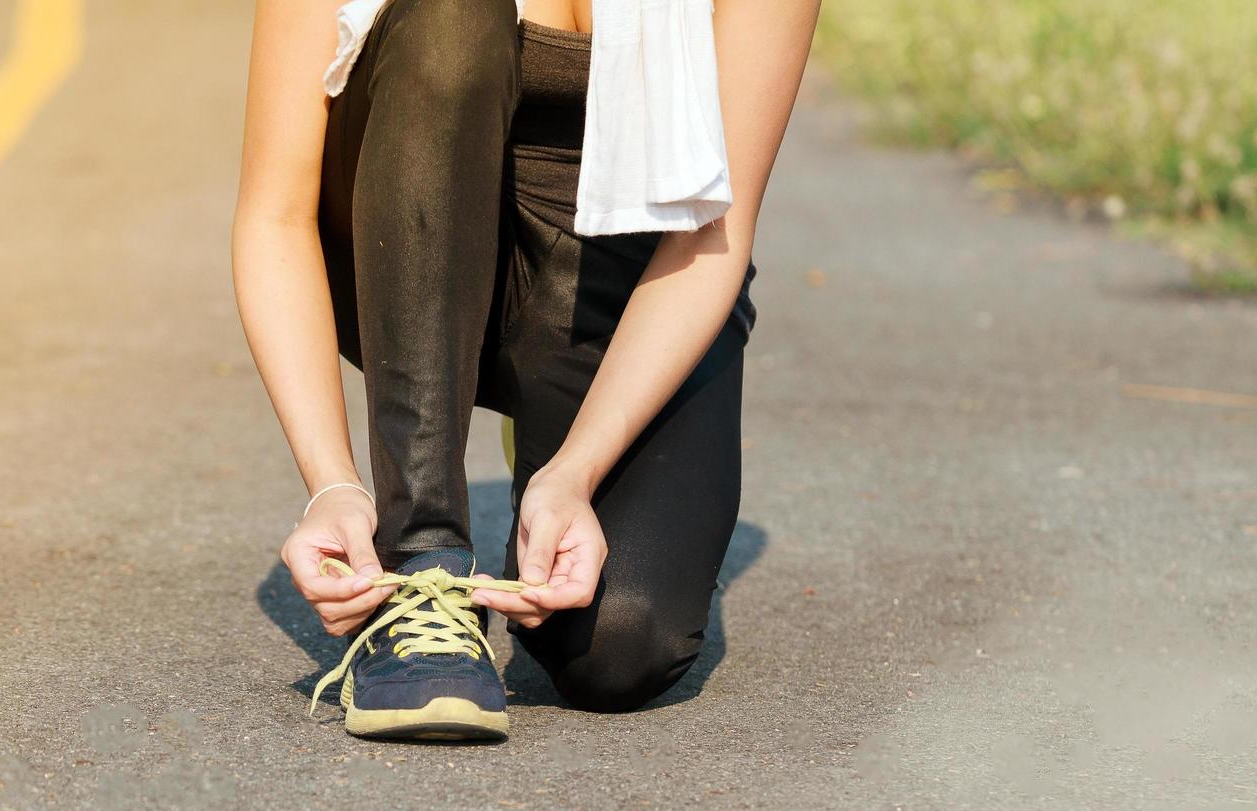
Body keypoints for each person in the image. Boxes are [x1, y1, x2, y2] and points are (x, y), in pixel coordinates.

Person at [231, 0, 822, 741]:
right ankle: (422, 556)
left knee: (618, 647)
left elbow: (712, 238)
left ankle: (546, 440)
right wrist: (332, 485)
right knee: (452, 16)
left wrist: (575, 470)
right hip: (407, 242)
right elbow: (275, 216)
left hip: (624, 275)